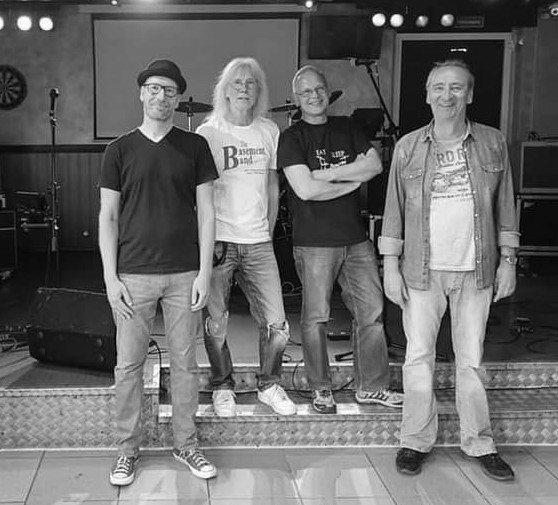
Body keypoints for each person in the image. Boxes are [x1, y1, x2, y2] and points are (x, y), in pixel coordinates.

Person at [379, 59, 519, 481]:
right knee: (417, 358)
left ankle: (479, 442)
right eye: (439, 87)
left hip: (476, 270)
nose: (447, 95)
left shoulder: (492, 142)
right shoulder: (408, 147)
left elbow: (506, 205)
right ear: (427, 95)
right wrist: (389, 265)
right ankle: (415, 440)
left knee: (470, 360)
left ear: (469, 94)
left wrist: (509, 260)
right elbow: (393, 210)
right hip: (421, 270)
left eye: (456, 87)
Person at [99, 59, 218, 486]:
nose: (161, 96)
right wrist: (111, 278)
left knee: (186, 364)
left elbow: (207, 213)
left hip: (185, 273)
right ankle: (127, 450)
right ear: (141, 93)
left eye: (169, 90)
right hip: (133, 275)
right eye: (154, 88)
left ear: (177, 97)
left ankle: (186, 443)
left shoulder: (195, 147)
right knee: (128, 365)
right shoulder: (118, 150)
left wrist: (205, 272)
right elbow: (108, 217)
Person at [277, 65, 403, 414]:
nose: (314, 96)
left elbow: (374, 166)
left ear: (327, 92)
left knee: (372, 313)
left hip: (355, 240)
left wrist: (327, 175)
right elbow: (305, 189)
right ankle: (321, 388)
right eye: (306, 92)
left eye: (319, 89)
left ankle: (372, 388)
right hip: (314, 242)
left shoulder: (347, 127)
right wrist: (352, 180)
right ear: (297, 99)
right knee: (316, 318)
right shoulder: (292, 138)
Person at [196, 57, 296, 417]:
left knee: (277, 325)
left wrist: (266, 230)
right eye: (236, 82)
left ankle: (269, 385)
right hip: (220, 241)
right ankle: (223, 386)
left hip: (258, 242)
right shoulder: (208, 133)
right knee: (216, 323)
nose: (243, 88)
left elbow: (272, 186)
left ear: (258, 91)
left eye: (250, 82)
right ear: (224, 90)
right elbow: (201, 193)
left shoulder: (269, 131)